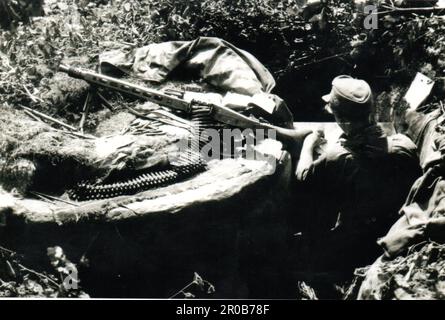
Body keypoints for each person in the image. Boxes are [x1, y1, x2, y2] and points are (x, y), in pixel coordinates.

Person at [294, 75, 422, 291]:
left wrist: (309, 144)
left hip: (354, 248)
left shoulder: (336, 158)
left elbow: (304, 176)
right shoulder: (404, 145)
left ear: (340, 118)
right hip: (395, 238)